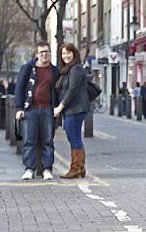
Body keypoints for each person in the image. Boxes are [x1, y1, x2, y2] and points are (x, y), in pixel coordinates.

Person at [15, 42, 59, 181]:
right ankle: (29, 169)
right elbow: (19, 88)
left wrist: (57, 107)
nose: (44, 54)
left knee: (47, 140)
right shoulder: (27, 68)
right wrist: (19, 108)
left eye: (46, 51)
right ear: (37, 54)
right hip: (30, 109)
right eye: (41, 52)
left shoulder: (54, 70)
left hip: (47, 109)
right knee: (29, 140)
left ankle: (47, 169)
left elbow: (57, 90)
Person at [54, 43, 91, 179]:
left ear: (74, 54)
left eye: (68, 53)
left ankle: (76, 168)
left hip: (75, 109)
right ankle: (80, 168)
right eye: (63, 53)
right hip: (72, 109)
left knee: (73, 136)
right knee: (73, 137)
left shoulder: (76, 69)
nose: (66, 56)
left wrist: (60, 107)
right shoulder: (67, 70)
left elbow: (72, 89)